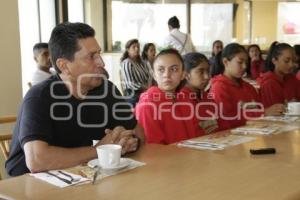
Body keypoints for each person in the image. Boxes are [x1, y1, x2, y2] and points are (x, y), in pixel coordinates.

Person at [6, 22, 143, 176]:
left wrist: (128, 141)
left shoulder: (106, 90)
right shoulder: (39, 96)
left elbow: (138, 133)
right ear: (64, 66)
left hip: (85, 180)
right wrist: (98, 150)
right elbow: (37, 161)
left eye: (99, 54)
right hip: (30, 187)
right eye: (92, 57)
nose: (101, 63)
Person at [135, 49, 205, 144]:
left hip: (190, 155)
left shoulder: (185, 99)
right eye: (161, 70)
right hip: (164, 157)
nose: (166, 75)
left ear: (183, 74)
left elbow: (197, 134)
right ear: (154, 75)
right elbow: (154, 147)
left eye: (174, 69)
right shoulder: (147, 105)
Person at [210, 43, 284, 129]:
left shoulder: (249, 87)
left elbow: (259, 108)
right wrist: (264, 112)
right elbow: (228, 119)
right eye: (240, 62)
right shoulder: (219, 87)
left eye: (246, 62)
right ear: (226, 62)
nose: (245, 66)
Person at [180, 52, 230, 134]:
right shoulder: (181, 100)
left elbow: (224, 126)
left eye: (208, 71)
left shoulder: (208, 98)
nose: (207, 77)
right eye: (201, 71)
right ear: (186, 74)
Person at [257, 43, 300, 107]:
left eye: (294, 61)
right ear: (274, 61)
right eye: (286, 61)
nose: (291, 65)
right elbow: (275, 113)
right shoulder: (269, 83)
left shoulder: (293, 79)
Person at [120, 39, 153, 107]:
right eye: (134, 47)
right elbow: (130, 83)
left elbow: (149, 76)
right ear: (128, 49)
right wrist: (146, 87)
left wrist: (149, 87)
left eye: (138, 46)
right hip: (133, 94)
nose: (137, 48)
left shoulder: (141, 62)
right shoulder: (127, 63)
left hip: (144, 91)